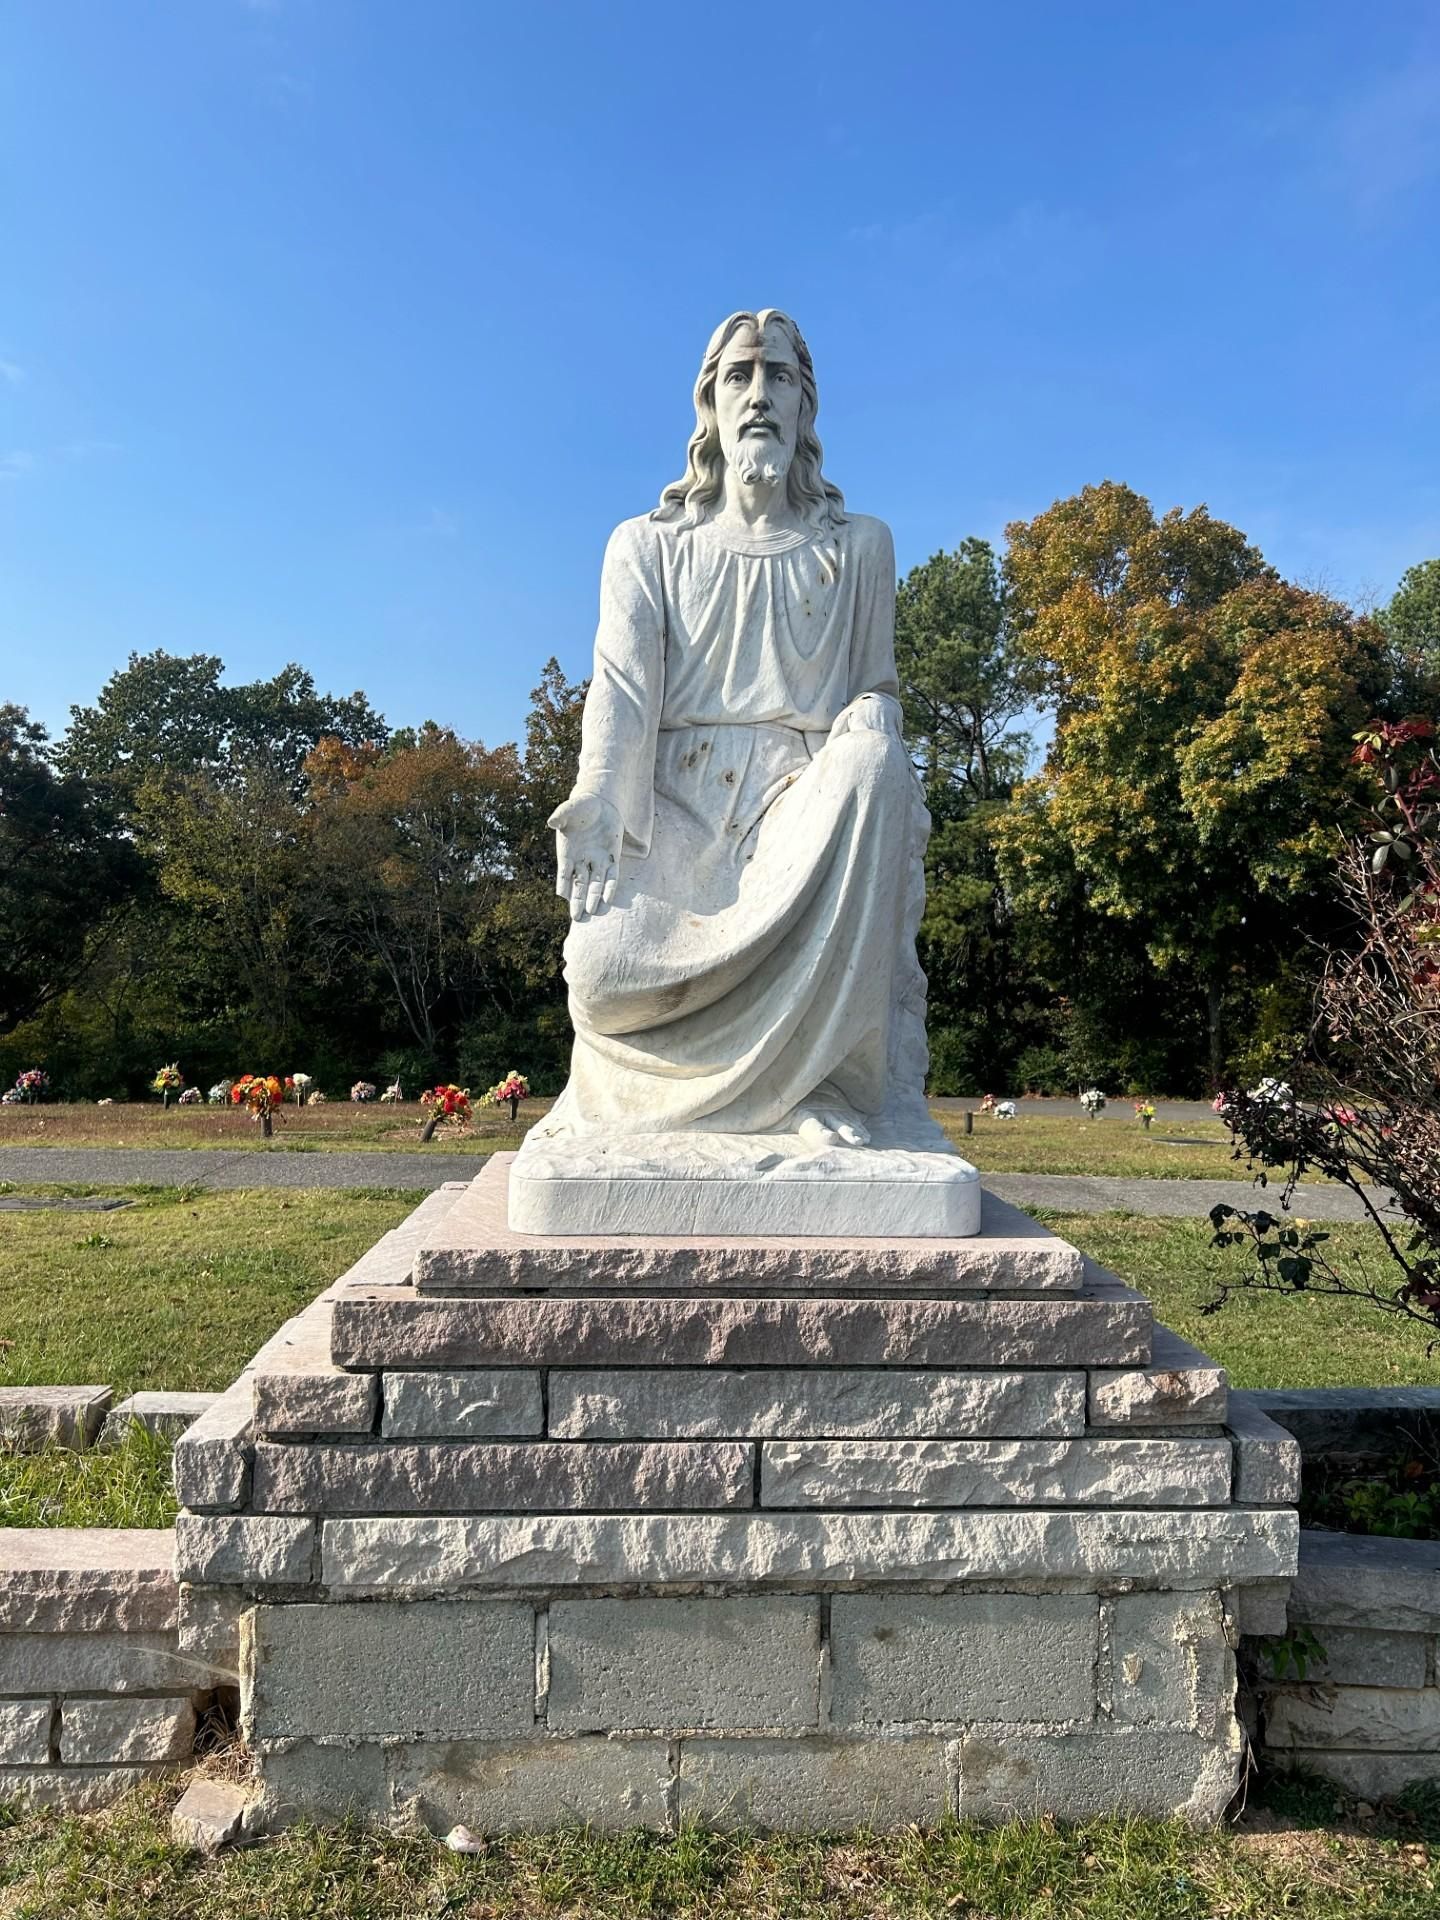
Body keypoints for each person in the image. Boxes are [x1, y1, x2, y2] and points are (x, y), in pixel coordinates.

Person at [539, 309, 933, 1152]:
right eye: (740, 376)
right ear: (709, 404)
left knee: (874, 763)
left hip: (802, 814)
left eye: (779, 376)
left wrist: (871, 717)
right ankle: (714, 1099)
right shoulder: (646, 546)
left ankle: (812, 1085)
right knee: (603, 975)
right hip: (675, 813)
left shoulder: (860, 547)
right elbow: (620, 693)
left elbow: (877, 691)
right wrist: (596, 803)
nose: (759, 395)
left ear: (805, 406)